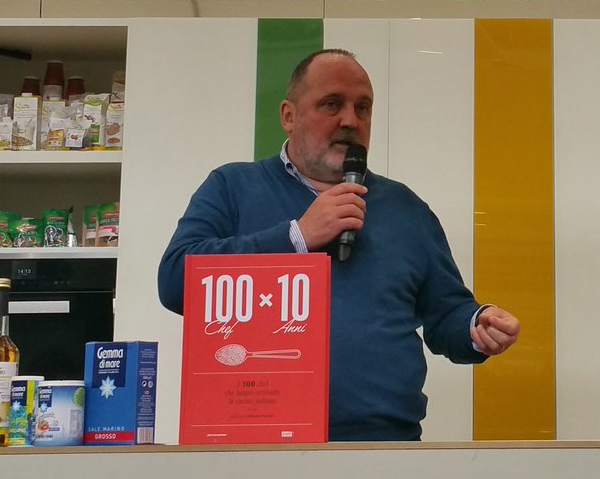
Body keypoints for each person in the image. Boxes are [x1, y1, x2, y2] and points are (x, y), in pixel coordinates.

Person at [158, 48, 520, 441]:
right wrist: (297, 236)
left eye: (362, 108)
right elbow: (177, 280)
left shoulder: (406, 208)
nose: (350, 120)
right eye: (332, 104)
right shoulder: (232, 187)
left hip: (384, 446)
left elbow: (446, 312)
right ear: (288, 116)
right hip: (253, 443)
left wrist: (476, 325)